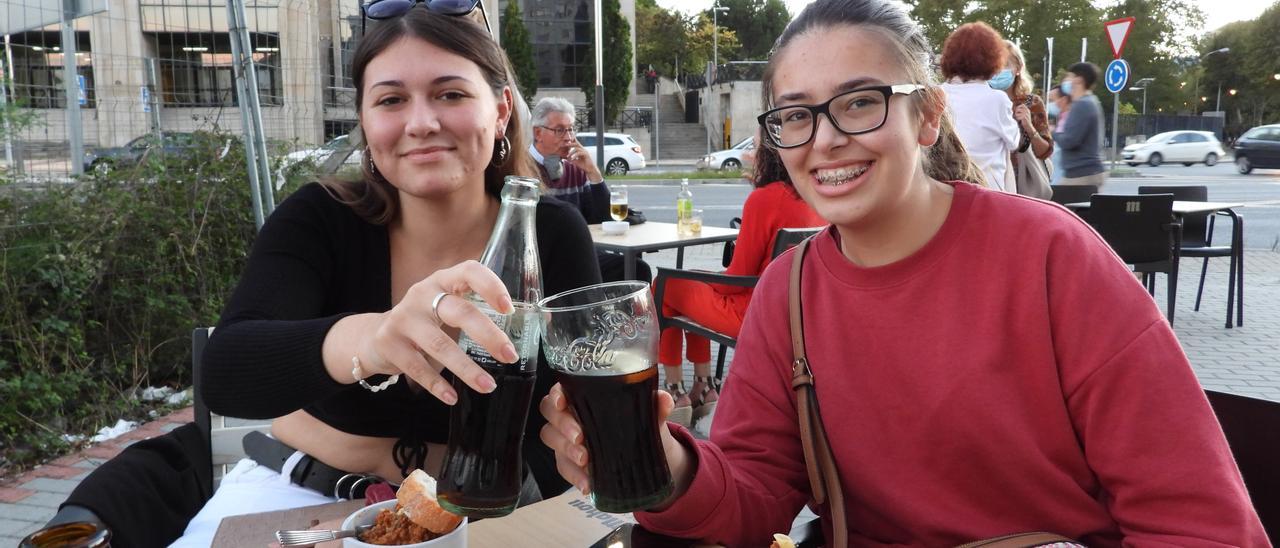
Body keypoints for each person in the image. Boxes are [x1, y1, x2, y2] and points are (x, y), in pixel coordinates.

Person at [539, 0, 1268, 544]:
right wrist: (668, 466)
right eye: (795, 116)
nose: (824, 140)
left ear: (925, 118)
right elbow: (755, 494)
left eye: (859, 103)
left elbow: (1197, 521)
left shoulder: (1052, 258)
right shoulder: (788, 295)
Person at [48, 5, 601, 547]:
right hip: (295, 497)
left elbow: (581, 408)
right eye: (390, 100)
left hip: (488, 511)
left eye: (451, 94)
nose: (421, 122)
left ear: (502, 109)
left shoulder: (549, 234)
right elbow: (228, 369)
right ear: (363, 119)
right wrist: (372, 339)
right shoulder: (321, 217)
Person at [656, 129, 825, 428]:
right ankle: (704, 388)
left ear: (768, 155)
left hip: (750, 313)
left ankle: (676, 391)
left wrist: (704, 277)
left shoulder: (764, 199)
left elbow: (736, 276)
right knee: (687, 286)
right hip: (795, 313)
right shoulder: (818, 194)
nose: (749, 155)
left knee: (666, 285)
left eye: (754, 148)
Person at [527, 96, 652, 282]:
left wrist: (592, 172)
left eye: (570, 129)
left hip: (580, 252)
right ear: (538, 133)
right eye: (560, 130)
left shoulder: (576, 169)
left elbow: (601, 218)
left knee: (635, 269)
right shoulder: (522, 168)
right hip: (540, 259)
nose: (569, 138)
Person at [938, 22, 1020, 192]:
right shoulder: (997, 99)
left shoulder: (936, 94)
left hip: (943, 190)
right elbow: (1013, 142)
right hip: (987, 191)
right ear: (993, 60)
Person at [1001, 40, 1054, 194]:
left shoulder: (1032, 102)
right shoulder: (983, 101)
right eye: (994, 65)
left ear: (1018, 68)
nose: (998, 71)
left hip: (1021, 184)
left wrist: (1029, 127)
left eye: (1004, 65)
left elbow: (1045, 152)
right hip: (991, 180)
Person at [1054, 62, 1107, 186]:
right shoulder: (1090, 101)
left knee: (1058, 204)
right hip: (1085, 172)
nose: (1066, 81)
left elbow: (1069, 141)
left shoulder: (1082, 104)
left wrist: (1053, 132)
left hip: (1081, 174)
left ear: (1079, 80)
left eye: (1069, 76)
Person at [1047, 84, 1072, 184]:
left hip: (1063, 179)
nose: (1049, 104)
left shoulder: (1069, 120)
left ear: (1064, 100)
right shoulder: (1062, 119)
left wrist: (1053, 132)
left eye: (1052, 100)